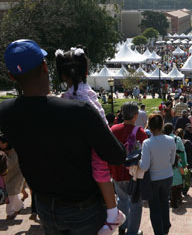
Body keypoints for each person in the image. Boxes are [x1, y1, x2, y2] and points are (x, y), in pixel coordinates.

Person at [0, 39, 126, 234]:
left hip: (44, 206)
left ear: (12, 76)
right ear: (44, 66)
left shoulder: (5, 112)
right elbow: (117, 155)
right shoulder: (80, 110)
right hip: (84, 209)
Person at [55, 47, 126, 234]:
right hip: (95, 139)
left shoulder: (80, 95)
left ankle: (113, 214)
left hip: (97, 142)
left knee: (101, 173)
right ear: (86, 71)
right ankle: (112, 210)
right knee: (101, 174)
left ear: (62, 74)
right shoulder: (82, 92)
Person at [109, 102, 148, 235]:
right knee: (136, 205)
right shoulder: (140, 132)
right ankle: (132, 231)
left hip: (116, 172)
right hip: (133, 174)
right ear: (135, 115)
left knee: (122, 200)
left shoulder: (113, 129)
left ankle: (123, 225)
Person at [139, 114, 176, 235]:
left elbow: (144, 166)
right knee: (164, 203)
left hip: (153, 179)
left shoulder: (147, 143)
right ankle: (165, 228)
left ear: (150, 126)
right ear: (162, 125)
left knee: (154, 207)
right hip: (167, 176)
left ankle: (159, 231)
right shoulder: (171, 140)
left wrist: (138, 161)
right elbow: (172, 161)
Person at [0, 134, 25, 219]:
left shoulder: (14, 151)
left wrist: (3, 155)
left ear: (6, 143)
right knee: (12, 193)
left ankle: (10, 213)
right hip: (6, 176)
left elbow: (10, 164)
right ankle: (19, 206)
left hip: (16, 175)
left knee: (11, 192)